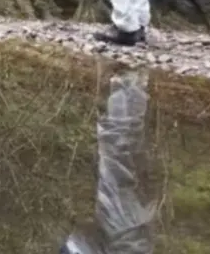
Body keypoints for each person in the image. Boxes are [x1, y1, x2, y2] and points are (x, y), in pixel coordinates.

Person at [60, 68, 155, 254]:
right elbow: (82, 241)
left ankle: (133, 80)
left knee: (129, 145)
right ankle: (130, 76)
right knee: (119, 145)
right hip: (124, 222)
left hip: (135, 222)